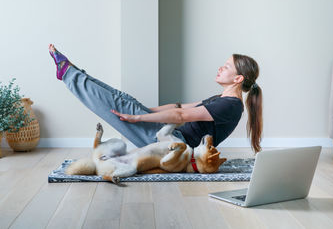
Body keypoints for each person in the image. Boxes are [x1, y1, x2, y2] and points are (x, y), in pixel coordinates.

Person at [49, 44, 263, 154]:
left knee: (123, 107)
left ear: (238, 78)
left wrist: (138, 118)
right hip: (171, 136)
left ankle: (69, 74)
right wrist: (143, 110)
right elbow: (178, 106)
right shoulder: (222, 99)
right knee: (125, 100)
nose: (220, 68)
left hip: (175, 147)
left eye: (226, 67)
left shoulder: (230, 105)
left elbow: (180, 115)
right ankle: (74, 73)